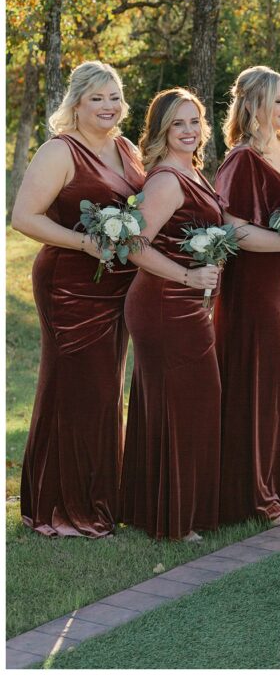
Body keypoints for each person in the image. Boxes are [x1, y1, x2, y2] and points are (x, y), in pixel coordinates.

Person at [12, 60, 145, 537]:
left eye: (114, 97)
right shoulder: (60, 150)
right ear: (76, 103)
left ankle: (98, 499)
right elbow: (24, 217)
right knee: (80, 390)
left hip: (117, 286)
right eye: (97, 98)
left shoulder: (127, 148)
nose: (108, 106)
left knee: (106, 389)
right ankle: (63, 509)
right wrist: (85, 242)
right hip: (69, 283)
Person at [120, 88, 222, 541]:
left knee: (188, 403)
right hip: (162, 303)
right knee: (183, 404)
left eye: (194, 122)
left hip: (184, 304)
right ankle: (172, 521)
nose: (188, 131)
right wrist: (188, 278)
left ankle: (158, 510)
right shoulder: (165, 180)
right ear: (162, 129)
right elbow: (132, 246)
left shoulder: (193, 171)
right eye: (178, 123)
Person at [214, 66, 280, 527]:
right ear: (252, 106)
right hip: (254, 286)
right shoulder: (241, 159)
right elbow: (234, 230)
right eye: (278, 100)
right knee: (263, 377)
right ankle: (256, 494)